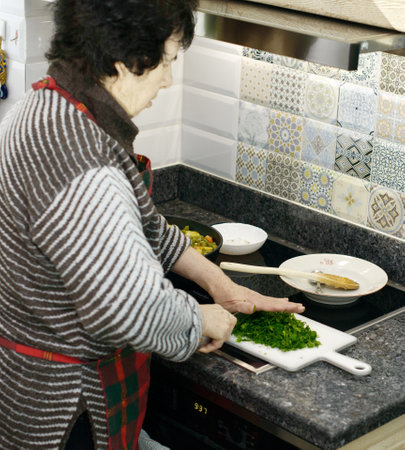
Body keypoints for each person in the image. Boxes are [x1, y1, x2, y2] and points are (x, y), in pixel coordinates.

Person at [0, 0, 305, 448]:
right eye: (168, 59)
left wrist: (221, 284)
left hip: (28, 387)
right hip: (67, 410)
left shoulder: (44, 109)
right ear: (126, 60)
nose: (167, 79)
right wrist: (201, 318)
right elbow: (132, 309)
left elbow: (147, 226)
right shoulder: (83, 165)